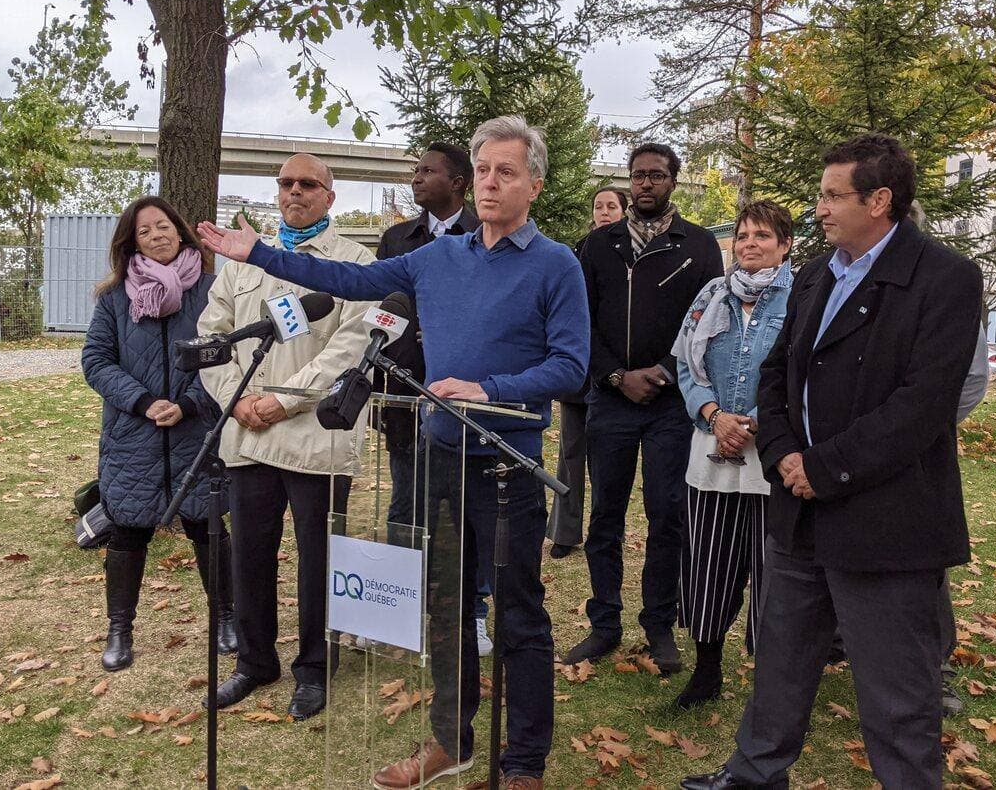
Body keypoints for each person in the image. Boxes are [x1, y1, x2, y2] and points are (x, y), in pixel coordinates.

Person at [197, 115, 588, 790]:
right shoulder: (439, 257)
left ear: (535, 185)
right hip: (439, 457)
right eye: (484, 169)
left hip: (505, 465)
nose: (492, 182)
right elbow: (348, 280)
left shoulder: (556, 265)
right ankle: (450, 741)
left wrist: (488, 388)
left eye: (507, 172)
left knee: (518, 613)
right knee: (445, 607)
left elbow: (571, 365)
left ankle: (523, 760)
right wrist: (259, 253)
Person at [682, 134, 983, 790]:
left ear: (880, 200)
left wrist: (825, 468)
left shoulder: (945, 279)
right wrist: (786, 454)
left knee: (898, 699)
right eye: (820, 194)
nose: (818, 208)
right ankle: (755, 775)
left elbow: (922, 407)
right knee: (781, 668)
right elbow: (776, 373)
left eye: (831, 195)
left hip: (887, 529)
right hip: (799, 518)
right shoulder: (818, 272)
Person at [196, 153, 376, 721]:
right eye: (286, 184)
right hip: (247, 433)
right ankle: (255, 662)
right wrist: (237, 398)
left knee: (319, 559)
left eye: (308, 184)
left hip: (315, 437)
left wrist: (283, 399)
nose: (295, 191)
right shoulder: (242, 263)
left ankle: (314, 668)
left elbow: (351, 347)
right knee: (250, 554)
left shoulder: (355, 263)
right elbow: (212, 335)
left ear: (330, 195)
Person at [564, 143, 724, 674]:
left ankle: (659, 624)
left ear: (674, 181)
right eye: (637, 176)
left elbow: (705, 324)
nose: (645, 184)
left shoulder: (698, 246)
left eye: (656, 175)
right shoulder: (597, 246)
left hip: (669, 404)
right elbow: (579, 324)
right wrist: (615, 376)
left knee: (667, 515)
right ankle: (604, 623)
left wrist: (664, 370)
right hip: (610, 402)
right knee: (604, 516)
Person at [81, 197, 229, 673]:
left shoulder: (211, 291)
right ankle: (120, 628)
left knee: (207, 529)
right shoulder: (114, 298)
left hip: (195, 432)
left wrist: (187, 404)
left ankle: (226, 616)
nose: (157, 236)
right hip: (133, 435)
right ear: (132, 243)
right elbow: (96, 362)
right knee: (127, 532)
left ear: (180, 232)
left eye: (163, 226)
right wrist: (145, 402)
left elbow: (224, 357)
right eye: (144, 231)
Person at [670, 200, 794, 709]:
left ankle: (776, 684)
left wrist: (760, 423)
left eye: (762, 236)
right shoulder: (711, 295)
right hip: (712, 455)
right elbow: (685, 366)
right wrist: (714, 414)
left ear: (785, 245)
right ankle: (706, 669)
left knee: (777, 576)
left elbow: (803, 369)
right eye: (743, 236)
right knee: (709, 565)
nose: (750, 245)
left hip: (774, 461)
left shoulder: (802, 297)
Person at [374, 142, 495, 658]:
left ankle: (475, 611)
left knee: (466, 510)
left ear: (459, 183)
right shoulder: (398, 239)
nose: (417, 180)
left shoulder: (485, 237)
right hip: (404, 393)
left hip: (461, 399)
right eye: (414, 171)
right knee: (406, 501)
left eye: (428, 172)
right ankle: (400, 607)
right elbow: (379, 306)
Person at [547, 187, 629, 560]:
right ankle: (565, 531)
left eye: (612, 206)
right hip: (578, 373)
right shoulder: (575, 252)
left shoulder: (633, 254)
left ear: (624, 211)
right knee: (571, 452)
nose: (604, 212)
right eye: (598, 206)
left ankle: (607, 528)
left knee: (608, 460)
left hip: (615, 375)